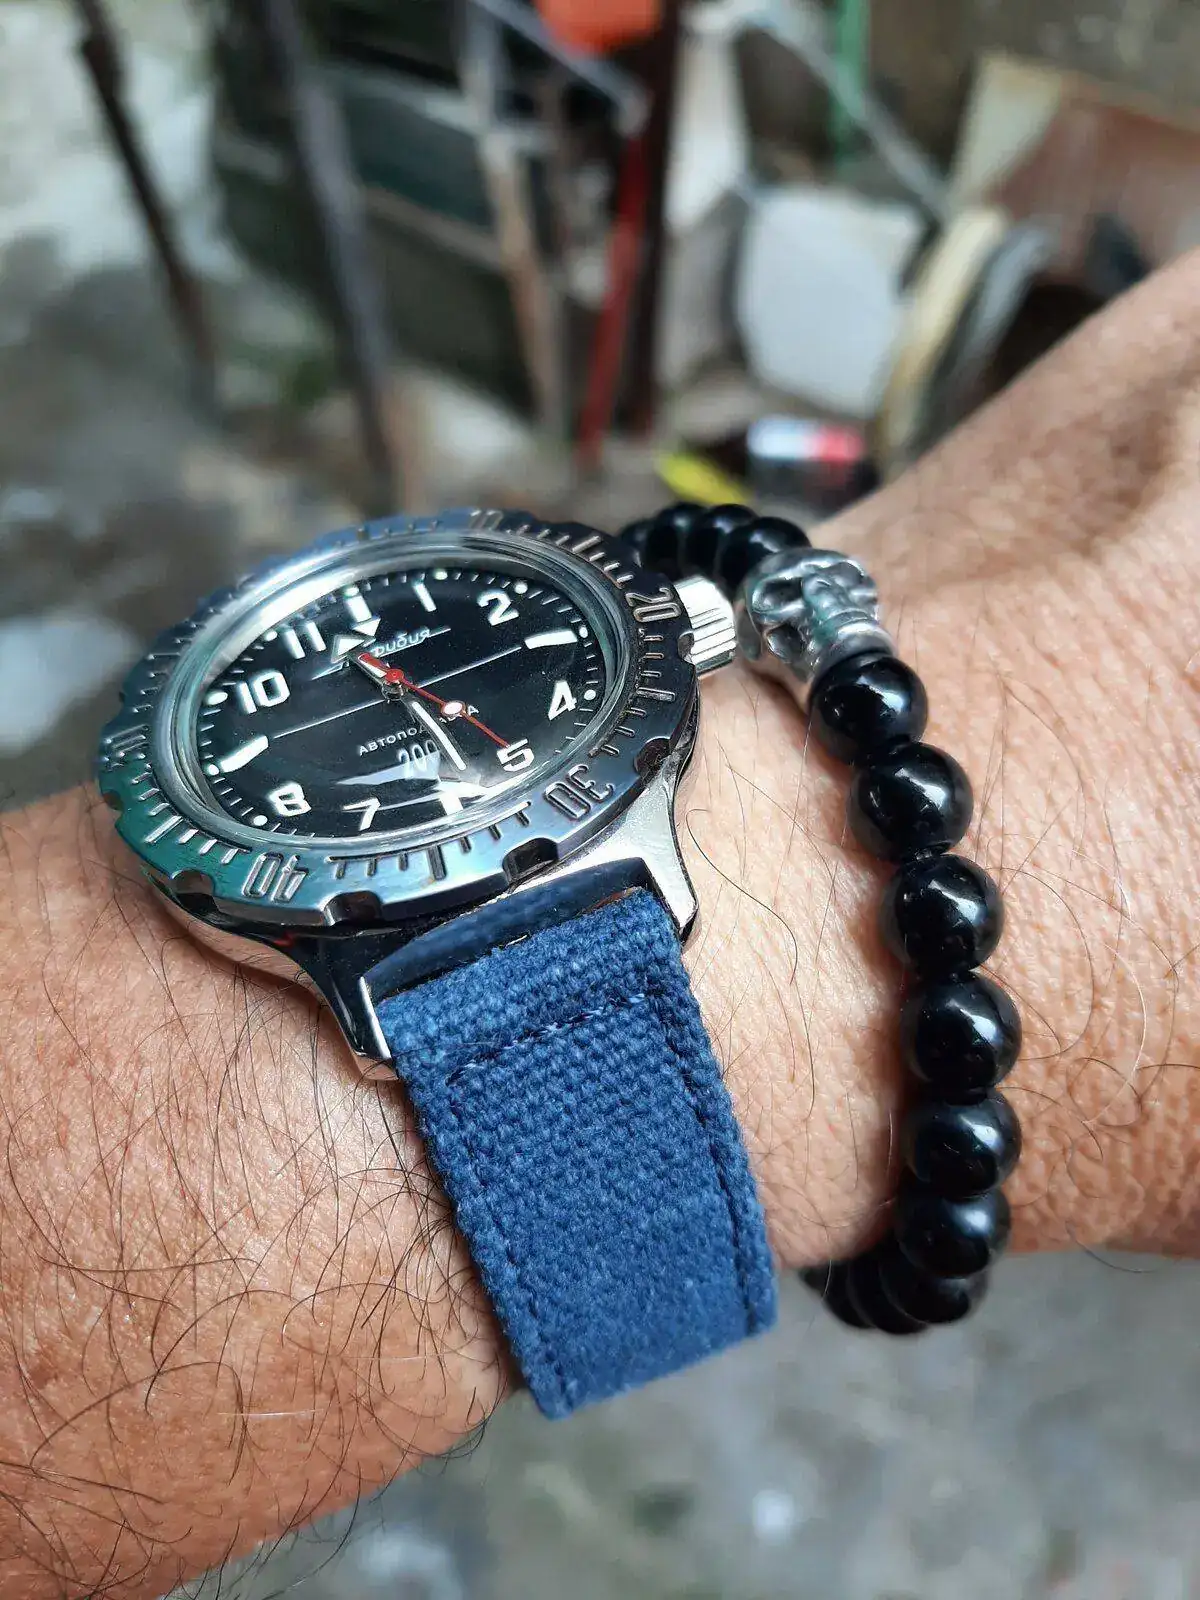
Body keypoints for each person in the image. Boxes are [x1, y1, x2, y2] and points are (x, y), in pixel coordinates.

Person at [2, 250, 1198, 1600]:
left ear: (673, 636)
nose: (388, 678)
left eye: (397, 673)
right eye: (376, 673)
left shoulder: (623, 683)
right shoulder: (246, 826)